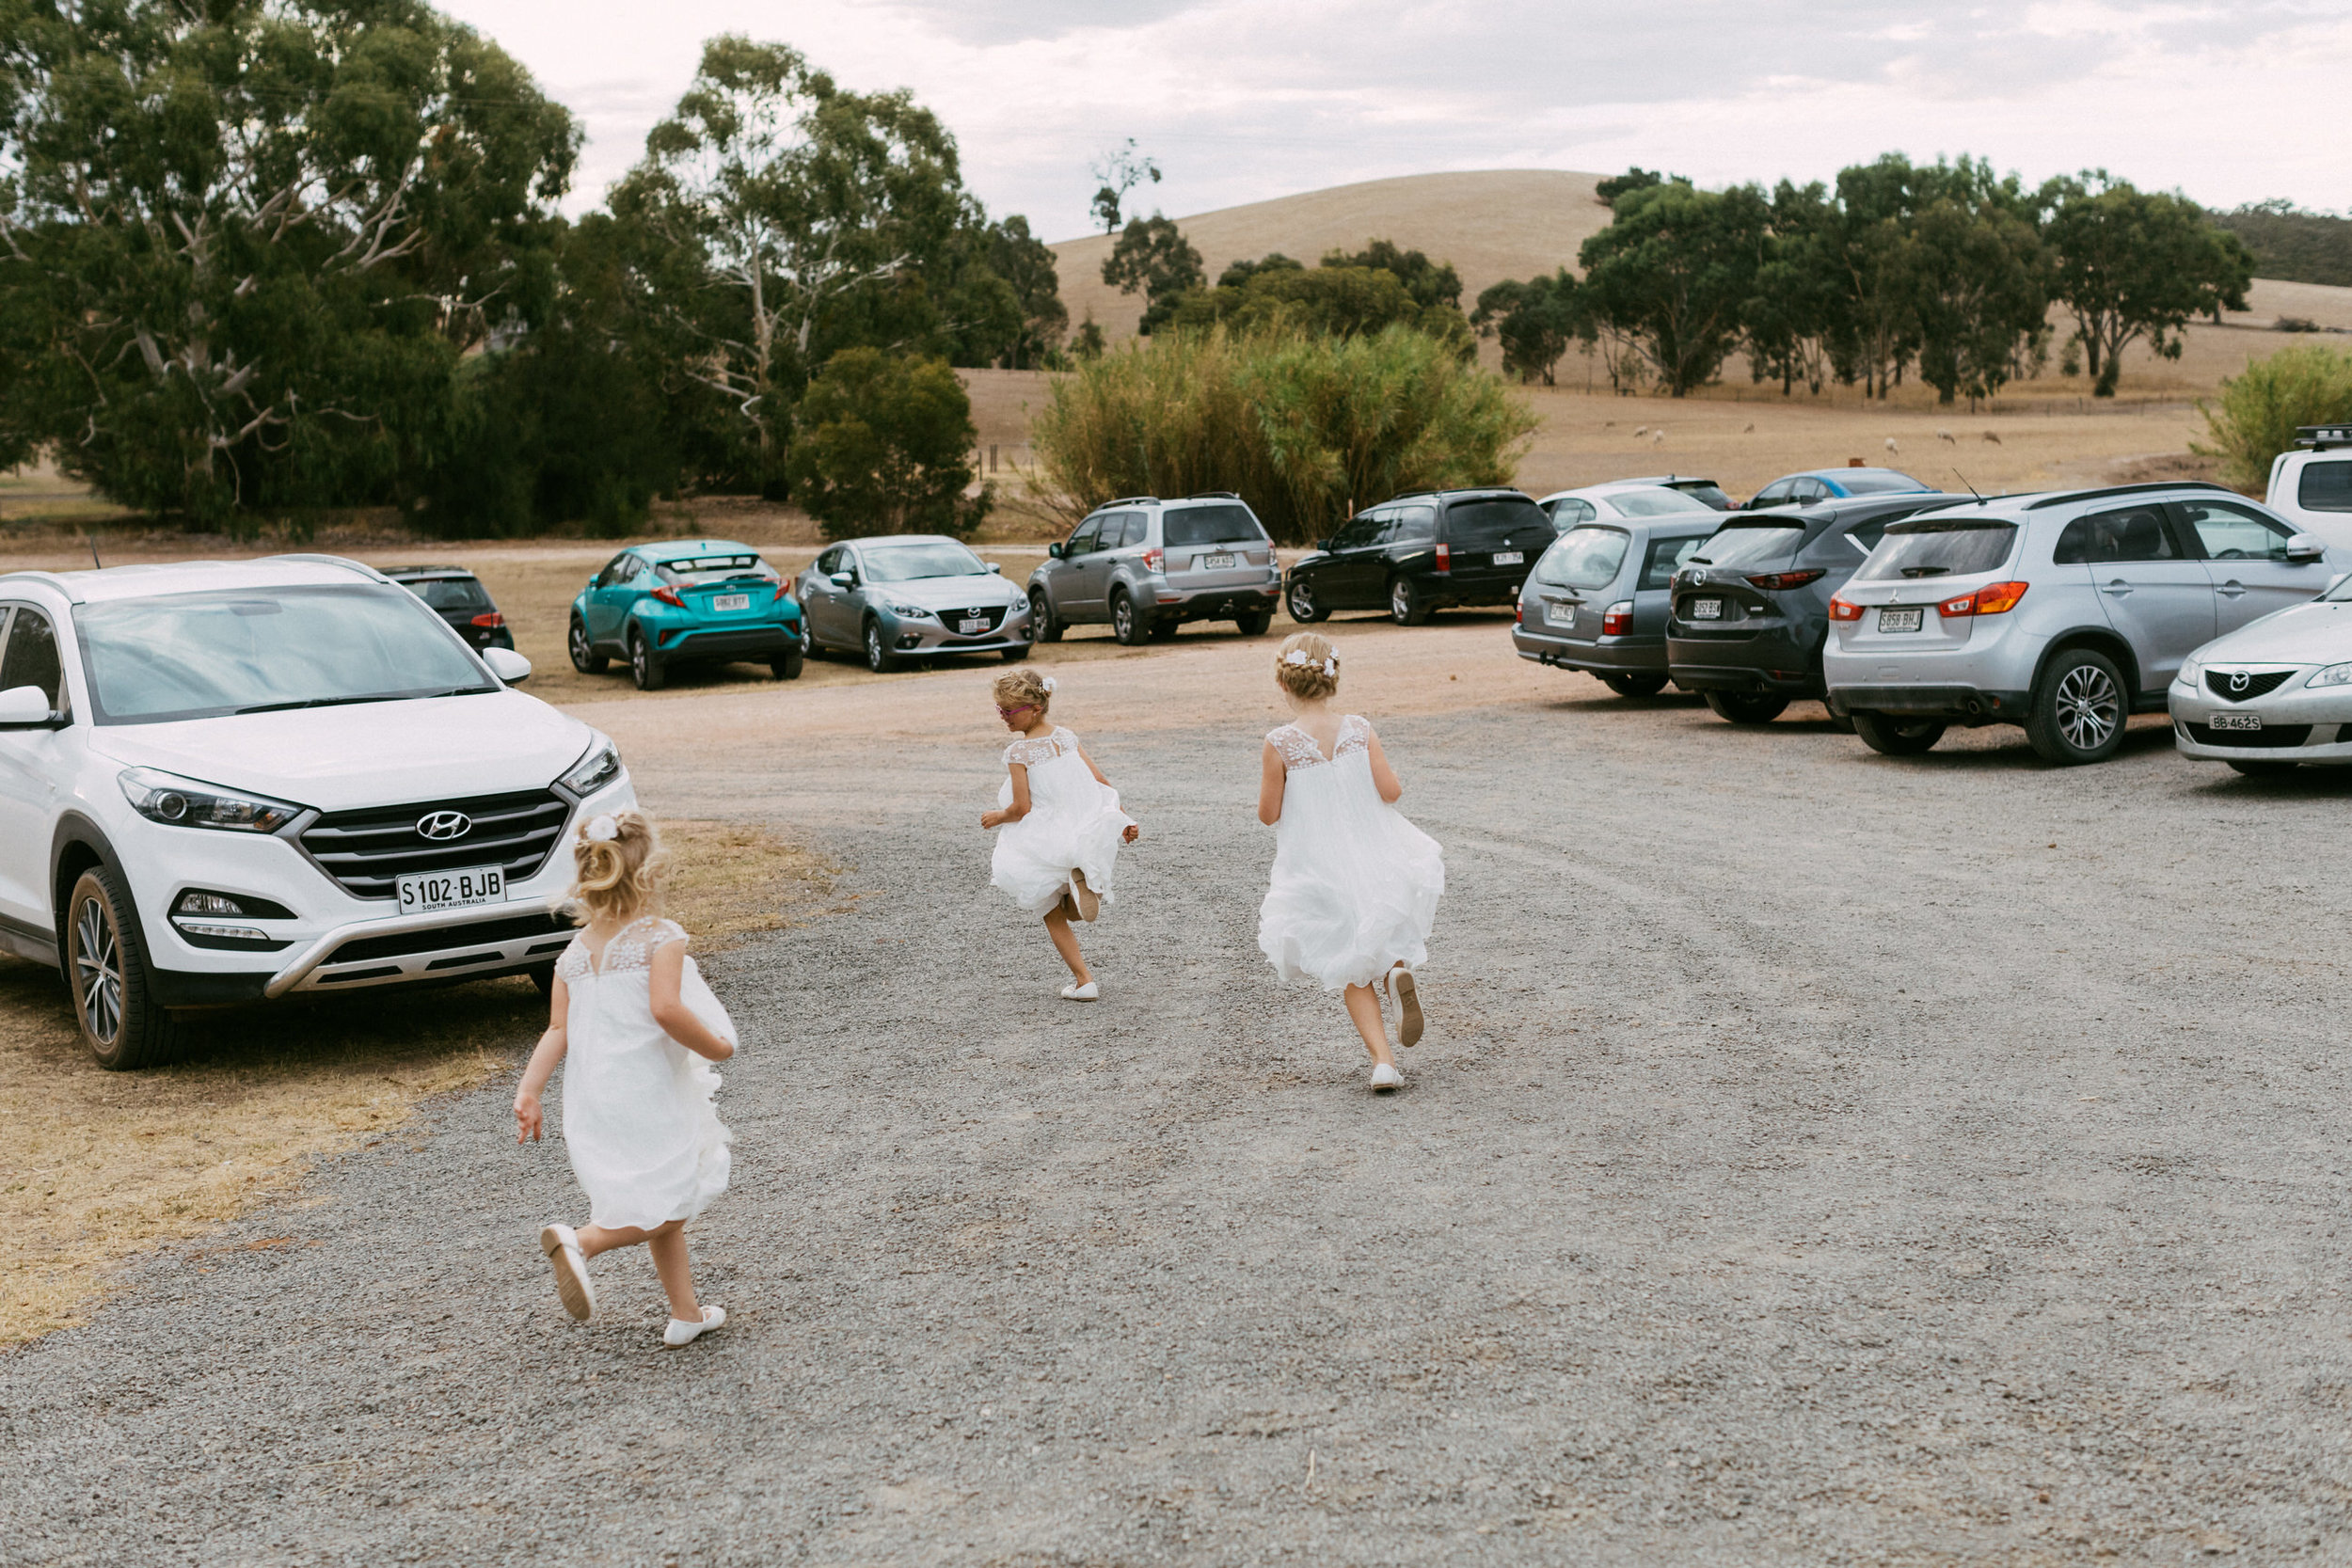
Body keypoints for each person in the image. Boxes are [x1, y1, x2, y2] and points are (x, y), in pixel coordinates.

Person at [515, 809, 737, 1347]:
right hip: (646, 1088)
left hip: (593, 1095)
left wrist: (529, 1089)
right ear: (650, 872)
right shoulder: (661, 937)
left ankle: (686, 1313)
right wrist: (717, 1046)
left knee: (658, 1196)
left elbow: (556, 1029)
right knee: (674, 1194)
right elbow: (666, 1009)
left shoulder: (571, 955)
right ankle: (582, 1243)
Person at [1256, 631, 1444, 1093]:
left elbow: (1269, 814)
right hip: (1375, 854)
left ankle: (1383, 1062)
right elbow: (1391, 792)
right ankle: (1396, 970)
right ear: (1333, 679)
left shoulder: (1280, 742)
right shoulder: (1359, 729)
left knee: (1347, 962)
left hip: (1319, 866)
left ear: (1284, 684)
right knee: (1380, 932)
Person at [981, 669, 1140, 1000]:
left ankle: (1085, 980)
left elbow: (1022, 807)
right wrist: (1120, 818)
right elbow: (1100, 782)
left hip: (1042, 835)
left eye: (1009, 711)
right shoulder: (1067, 737)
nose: (1004, 718)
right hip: (1077, 830)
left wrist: (997, 817)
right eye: (1000, 710)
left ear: (1034, 708)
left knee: (1049, 911)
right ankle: (1076, 883)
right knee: (1061, 895)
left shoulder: (1018, 753)